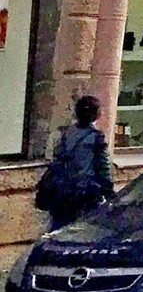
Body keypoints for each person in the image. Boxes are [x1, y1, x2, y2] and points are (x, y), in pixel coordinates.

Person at [36, 95, 115, 230]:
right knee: (85, 231)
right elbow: (103, 167)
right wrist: (109, 192)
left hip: (62, 192)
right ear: (96, 115)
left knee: (59, 229)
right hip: (85, 193)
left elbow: (57, 157)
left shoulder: (65, 133)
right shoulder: (96, 137)